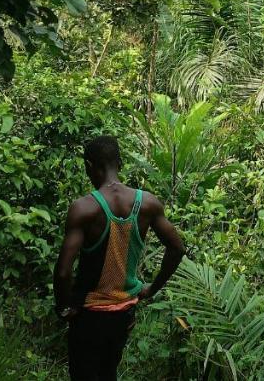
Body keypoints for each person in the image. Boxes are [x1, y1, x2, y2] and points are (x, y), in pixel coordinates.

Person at [54, 135, 186, 380]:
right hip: (124, 313)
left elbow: (63, 272)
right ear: (121, 164)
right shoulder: (147, 203)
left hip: (89, 313)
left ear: (89, 167)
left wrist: (63, 309)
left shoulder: (84, 208)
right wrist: (152, 289)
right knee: (108, 371)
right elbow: (176, 248)